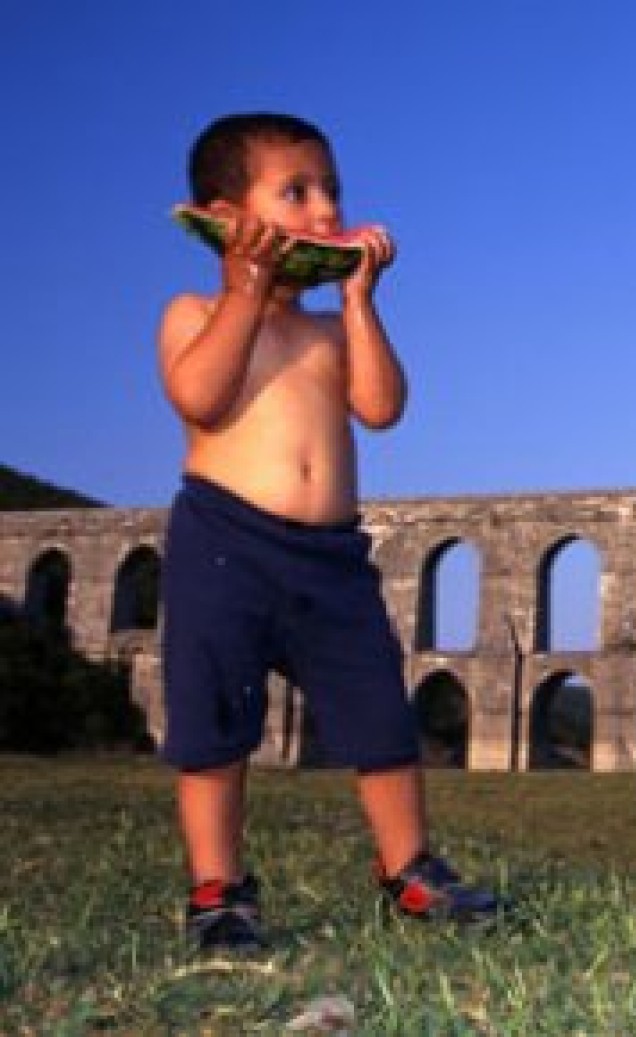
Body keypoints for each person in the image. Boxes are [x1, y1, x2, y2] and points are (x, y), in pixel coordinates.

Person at [157, 112, 498, 952]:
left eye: (332, 191)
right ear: (225, 215)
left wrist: (357, 303)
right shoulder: (194, 311)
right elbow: (200, 396)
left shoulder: (327, 333)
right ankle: (218, 887)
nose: (324, 209)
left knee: (380, 712)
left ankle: (409, 867)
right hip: (224, 542)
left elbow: (382, 408)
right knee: (213, 720)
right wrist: (242, 291)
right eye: (297, 191)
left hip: (331, 557)